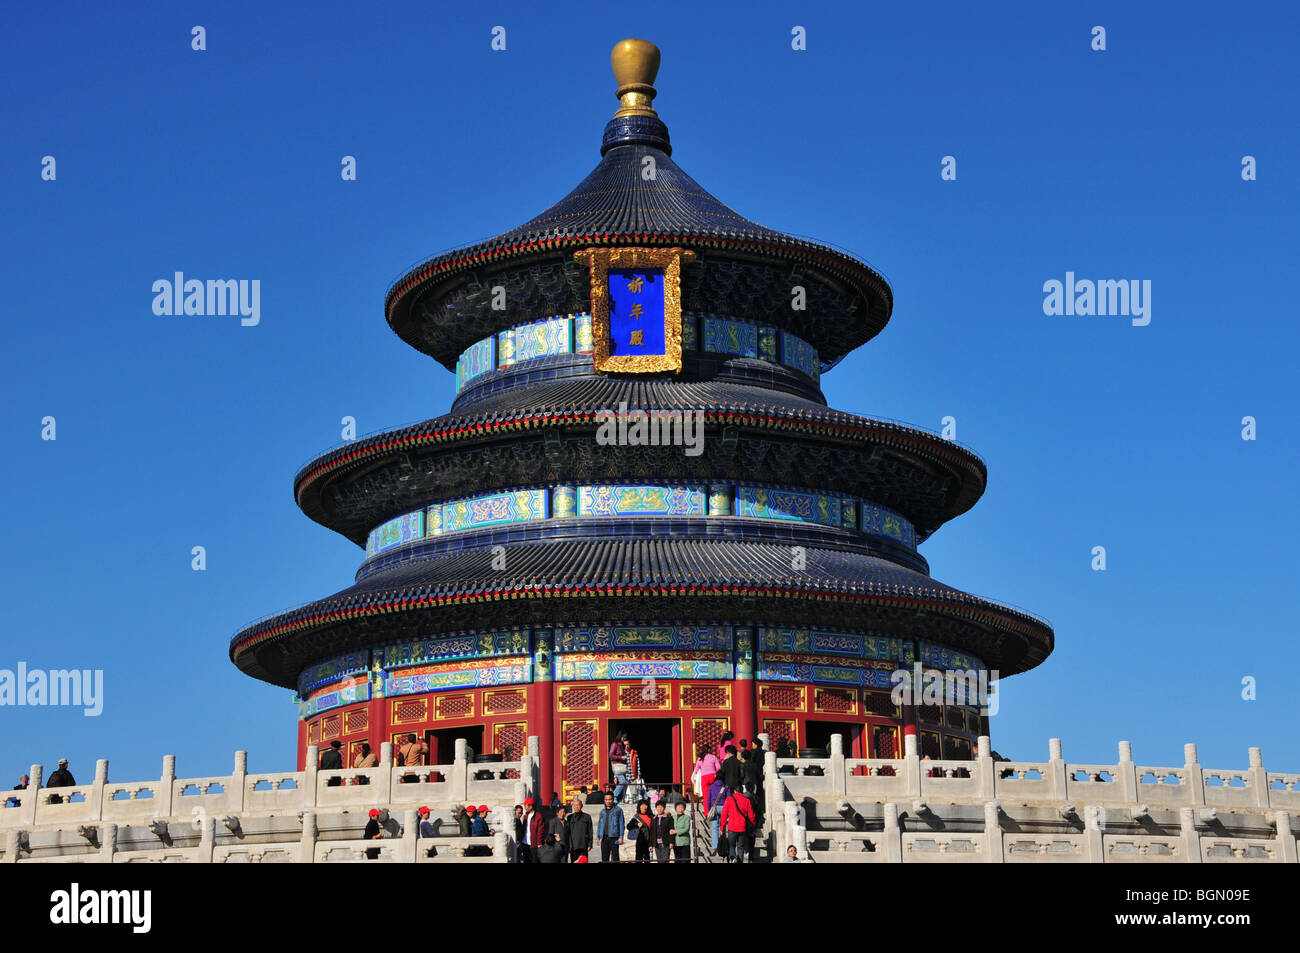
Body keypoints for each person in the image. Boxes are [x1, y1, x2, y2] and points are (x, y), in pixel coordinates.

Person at [719, 784, 756, 863]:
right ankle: (739, 861)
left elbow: (724, 815)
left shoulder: (729, 800)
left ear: (734, 791)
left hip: (732, 827)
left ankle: (733, 857)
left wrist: (722, 827)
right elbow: (752, 816)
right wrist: (753, 828)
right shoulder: (747, 801)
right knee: (741, 847)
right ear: (742, 791)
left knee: (731, 845)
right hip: (742, 827)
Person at [595, 791, 625, 862]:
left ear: (613, 799)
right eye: (606, 799)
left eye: (609, 799)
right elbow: (600, 824)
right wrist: (598, 837)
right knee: (605, 859)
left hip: (614, 838)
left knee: (615, 858)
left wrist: (621, 837)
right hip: (604, 838)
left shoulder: (618, 810)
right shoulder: (602, 812)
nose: (608, 801)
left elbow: (621, 824)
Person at [566, 795, 593, 862]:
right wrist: (569, 845)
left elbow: (590, 831)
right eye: (574, 805)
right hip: (573, 846)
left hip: (583, 845)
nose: (576, 807)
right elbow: (568, 833)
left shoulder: (587, 817)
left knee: (583, 861)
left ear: (581, 806)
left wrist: (590, 844)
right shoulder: (569, 817)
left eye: (578, 805)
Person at [520, 797, 544, 863]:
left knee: (534, 861)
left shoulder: (538, 816)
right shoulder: (525, 816)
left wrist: (539, 843)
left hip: (534, 844)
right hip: (525, 843)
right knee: (526, 860)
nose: (525, 807)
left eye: (526, 806)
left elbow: (540, 831)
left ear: (531, 806)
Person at [609, 732, 629, 802]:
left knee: (624, 782)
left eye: (625, 738)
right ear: (620, 736)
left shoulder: (621, 745)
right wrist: (621, 757)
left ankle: (619, 799)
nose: (624, 739)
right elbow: (611, 755)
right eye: (623, 737)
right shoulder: (615, 744)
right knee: (623, 781)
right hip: (617, 766)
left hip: (622, 767)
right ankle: (614, 795)